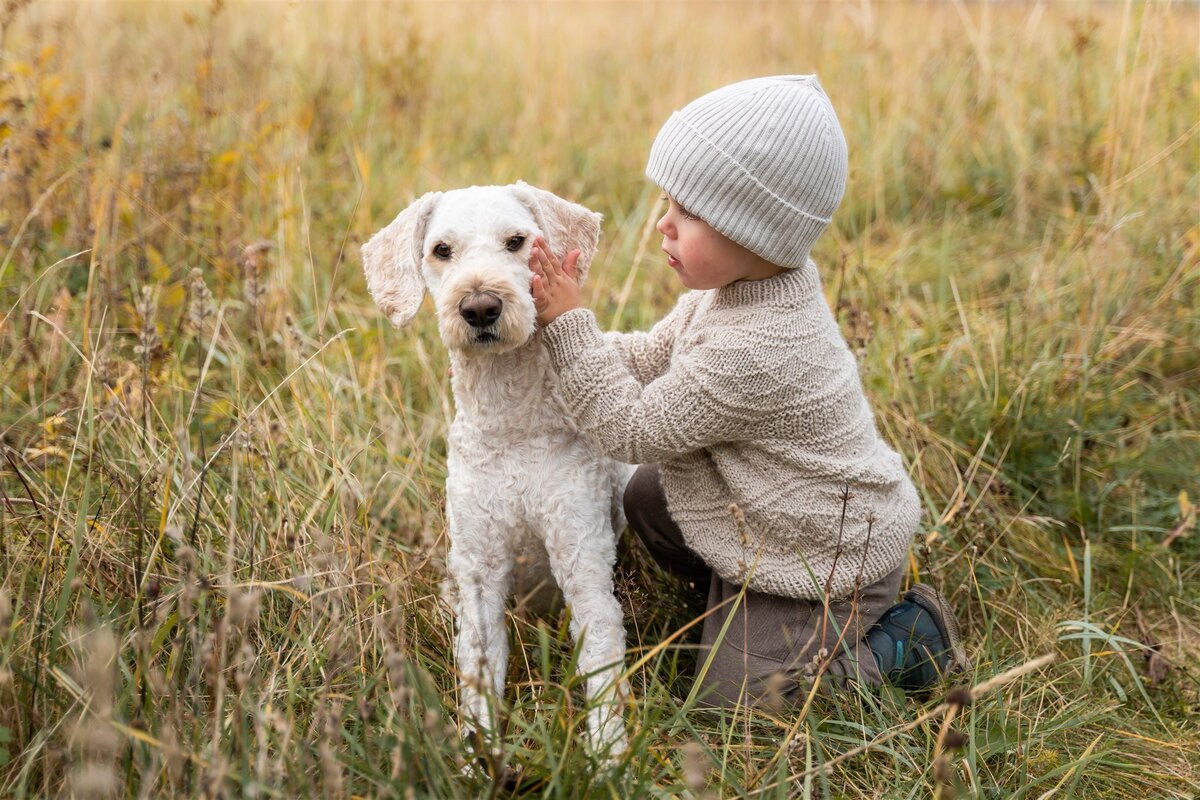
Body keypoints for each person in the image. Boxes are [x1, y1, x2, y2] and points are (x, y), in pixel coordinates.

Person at [529, 75, 968, 707]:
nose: (663, 225)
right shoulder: (737, 291)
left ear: (755, 230)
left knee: (738, 703)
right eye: (668, 205)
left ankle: (905, 644)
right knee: (649, 496)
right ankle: (735, 601)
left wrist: (571, 330)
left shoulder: (757, 352)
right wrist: (557, 337)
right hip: (769, 517)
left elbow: (630, 428)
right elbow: (650, 357)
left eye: (689, 214)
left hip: (826, 557)